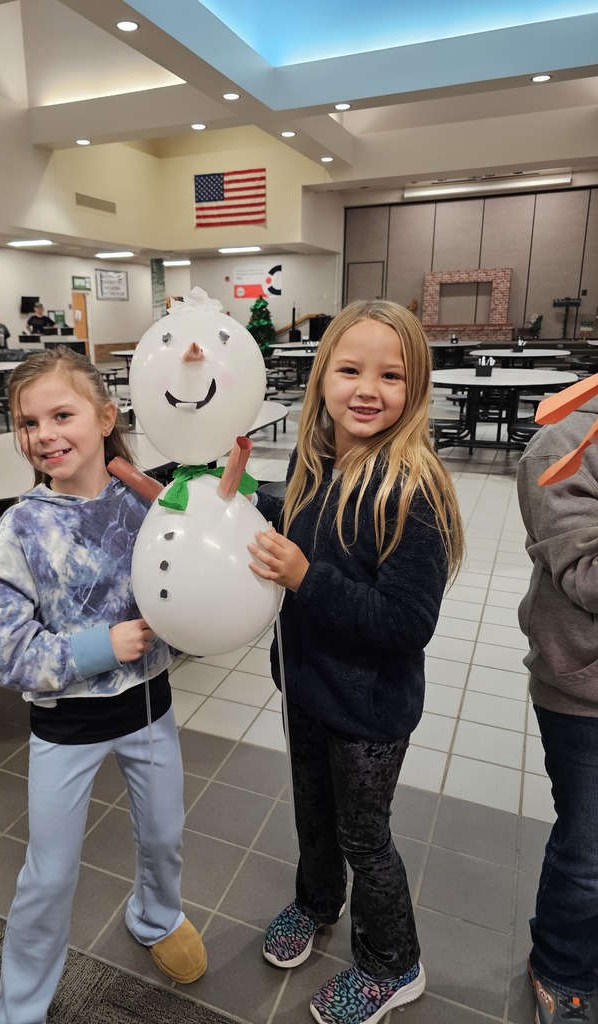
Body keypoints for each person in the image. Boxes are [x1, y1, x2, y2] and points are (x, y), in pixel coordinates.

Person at [248, 300, 464, 1024]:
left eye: (391, 375)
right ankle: (317, 902)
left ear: (416, 386)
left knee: (364, 838)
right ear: (322, 380)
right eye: (349, 370)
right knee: (312, 811)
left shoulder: (413, 491)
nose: (368, 389)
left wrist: (306, 578)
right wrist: (239, 502)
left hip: (369, 711)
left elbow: (408, 623)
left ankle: (393, 964)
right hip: (306, 685)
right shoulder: (315, 462)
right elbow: (297, 522)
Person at [0, 346, 206, 1024]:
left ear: (106, 417)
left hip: (149, 710)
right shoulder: (22, 527)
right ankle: (19, 1006)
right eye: (28, 422)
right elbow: (7, 651)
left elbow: (188, 586)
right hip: (66, 727)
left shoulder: (149, 505)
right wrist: (100, 646)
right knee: (49, 875)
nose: (44, 434)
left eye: (62, 415)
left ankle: (156, 917)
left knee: (163, 836)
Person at [517, 395, 598, 1024]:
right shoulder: (565, 442)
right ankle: (561, 966)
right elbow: (585, 577)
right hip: (584, 694)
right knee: (589, 854)